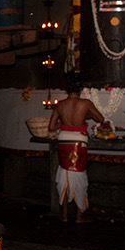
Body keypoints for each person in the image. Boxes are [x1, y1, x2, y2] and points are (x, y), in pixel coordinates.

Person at [47, 74, 104, 223]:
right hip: (79, 141)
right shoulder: (85, 103)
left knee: (64, 175)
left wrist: (64, 124)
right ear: (80, 88)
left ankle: (65, 215)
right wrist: (86, 116)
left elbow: (51, 127)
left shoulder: (60, 104)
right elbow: (101, 119)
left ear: (67, 89)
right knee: (79, 177)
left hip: (63, 140)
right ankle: (79, 216)